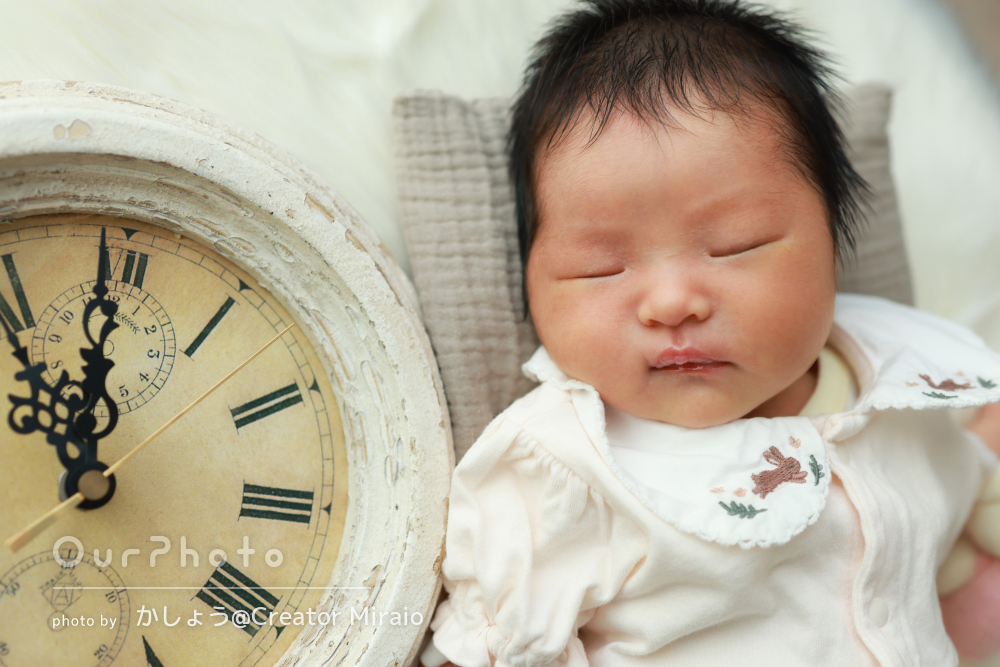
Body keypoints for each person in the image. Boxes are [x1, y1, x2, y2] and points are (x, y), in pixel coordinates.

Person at [420, 1, 1000, 664]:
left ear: (833, 247)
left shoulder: (901, 383)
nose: (672, 303)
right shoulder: (561, 469)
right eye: (600, 266)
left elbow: (953, 488)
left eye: (734, 245)